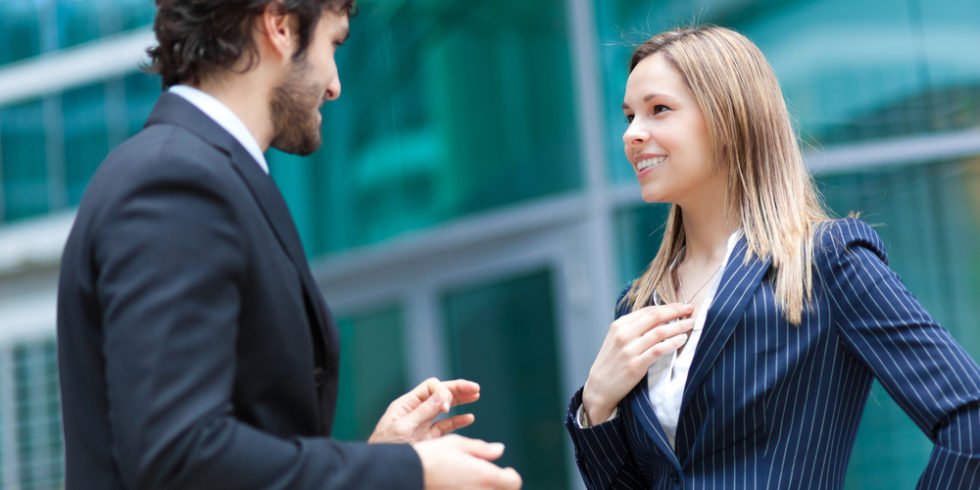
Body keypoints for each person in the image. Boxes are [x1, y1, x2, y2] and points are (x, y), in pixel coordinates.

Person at [56, 1, 522, 489]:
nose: (335, 84)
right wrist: (407, 472)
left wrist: (379, 458)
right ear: (279, 25)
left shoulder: (194, 173)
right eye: (333, 43)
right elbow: (180, 456)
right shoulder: (174, 180)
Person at [565, 25, 980, 489]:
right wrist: (597, 405)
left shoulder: (827, 262)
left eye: (658, 110)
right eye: (628, 117)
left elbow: (970, 422)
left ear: (730, 118)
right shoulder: (638, 307)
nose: (633, 135)